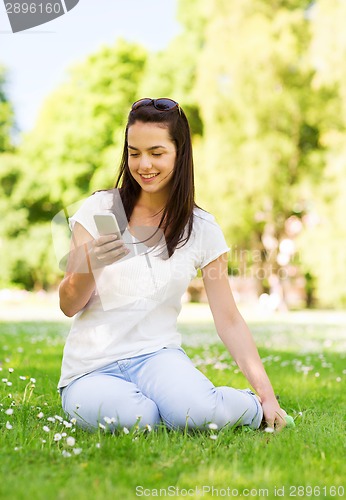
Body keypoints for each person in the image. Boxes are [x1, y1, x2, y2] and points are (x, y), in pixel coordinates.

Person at [58, 97, 287, 432]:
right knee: (140, 420)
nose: (143, 164)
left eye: (156, 152)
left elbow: (229, 319)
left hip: (157, 357)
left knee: (196, 414)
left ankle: (248, 408)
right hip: (90, 368)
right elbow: (68, 304)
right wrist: (91, 263)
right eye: (134, 152)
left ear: (180, 153)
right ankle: (161, 407)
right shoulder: (100, 210)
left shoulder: (201, 228)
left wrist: (266, 395)